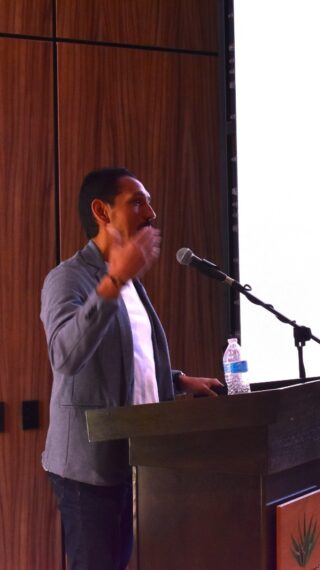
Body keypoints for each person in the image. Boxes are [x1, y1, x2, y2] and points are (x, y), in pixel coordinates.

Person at [40, 167, 223, 570]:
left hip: (139, 459)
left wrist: (178, 381)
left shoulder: (130, 281)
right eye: (137, 202)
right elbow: (65, 357)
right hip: (89, 468)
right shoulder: (68, 278)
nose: (151, 214)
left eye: (149, 203)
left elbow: (130, 360)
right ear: (101, 211)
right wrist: (116, 279)